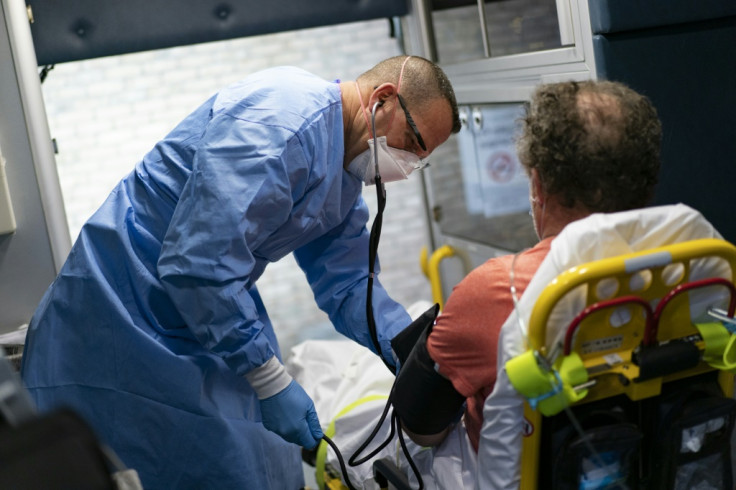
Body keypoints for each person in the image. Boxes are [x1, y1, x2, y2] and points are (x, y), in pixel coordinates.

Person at [20, 55, 461, 489]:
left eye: (421, 160)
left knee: (254, 461)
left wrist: (410, 349)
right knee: (124, 461)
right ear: (383, 100)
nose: (407, 168)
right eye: (413, 143)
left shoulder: (342, 176)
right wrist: (269, 378)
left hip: (201, 315)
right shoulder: (281, 123)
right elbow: (197, 261)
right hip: (117, 312)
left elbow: (348, 283)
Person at [398, 79, 662, 451]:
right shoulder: (694, 270)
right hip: (655, 462)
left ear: (537, 184)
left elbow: (423, 429)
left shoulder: (496, 289)